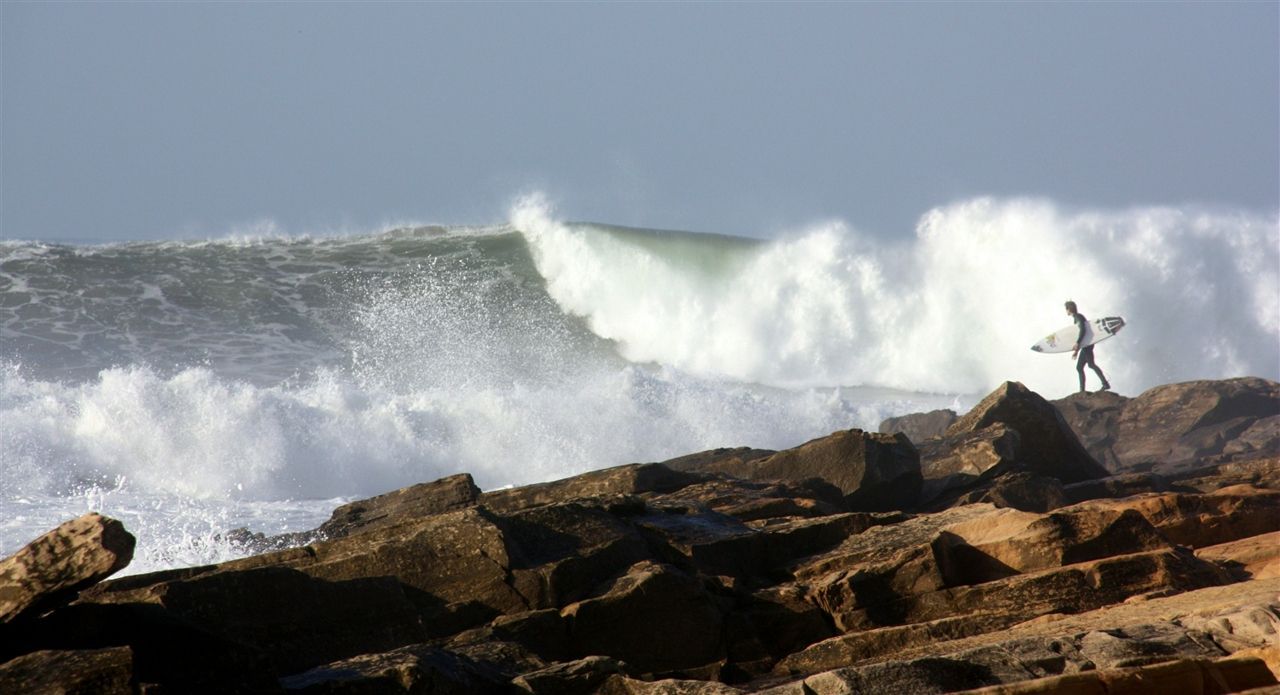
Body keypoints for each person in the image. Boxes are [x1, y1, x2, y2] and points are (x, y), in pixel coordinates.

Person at [1066, 301, 1110, 393]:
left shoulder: (1078, 317)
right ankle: (1085, 389)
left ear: (1069, 309)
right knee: (1082, 367)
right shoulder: (1077, 318)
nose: (1066, 311)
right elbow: (1082, 335)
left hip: (1088, 345)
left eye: (1066, 309)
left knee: (1089, 365)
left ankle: (1104, 384)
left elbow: (1083, 330)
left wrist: (1078, 343)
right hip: (1087, 345)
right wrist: (1076, 351)